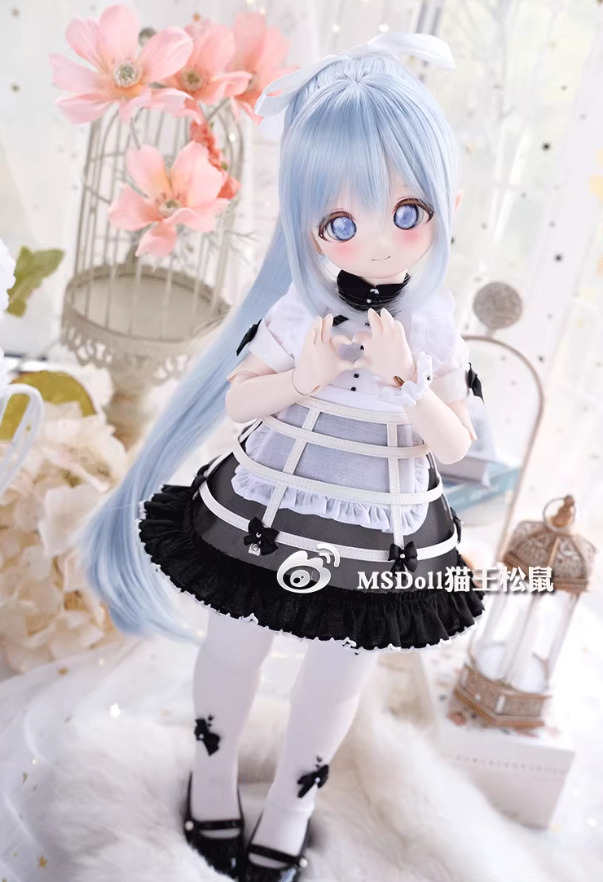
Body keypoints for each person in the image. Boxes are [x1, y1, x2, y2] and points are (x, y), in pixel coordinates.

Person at [79, 32, 485, 882]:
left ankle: (292, 808)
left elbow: (456, 447)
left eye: (406, 213)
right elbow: (238, 403)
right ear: (306, 225)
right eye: (341, 222)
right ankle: (212, 780)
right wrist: (303, 377)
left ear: (445, 203)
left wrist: (407, 383)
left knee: (338, 674)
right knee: (234, 646)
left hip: (382, 532)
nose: (376, 244)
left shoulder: (433, 325)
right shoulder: (301, 309)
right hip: (267, 506)